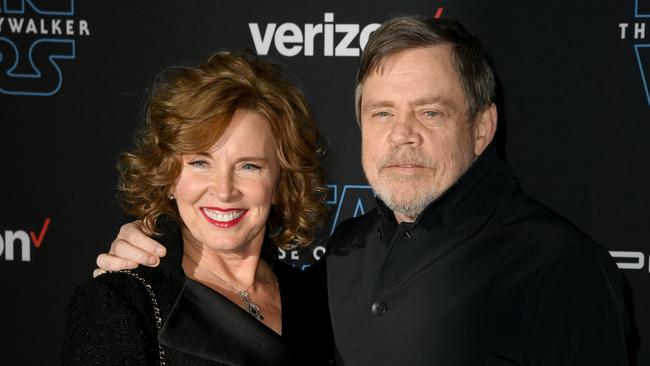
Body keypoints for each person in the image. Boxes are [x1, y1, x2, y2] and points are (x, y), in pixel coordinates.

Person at [94, 17, 630, 366]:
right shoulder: (344, 257)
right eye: (382, 113)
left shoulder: (561, 268)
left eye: (430, 112)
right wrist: (152, 239)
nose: (403, 135)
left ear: (483, 128)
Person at [63, 51, 333, 365]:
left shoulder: (315, 301)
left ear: (279, 183)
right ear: (168, 177)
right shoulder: (121, 303)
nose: (223, 190)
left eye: (248, 166)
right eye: (200, 163)